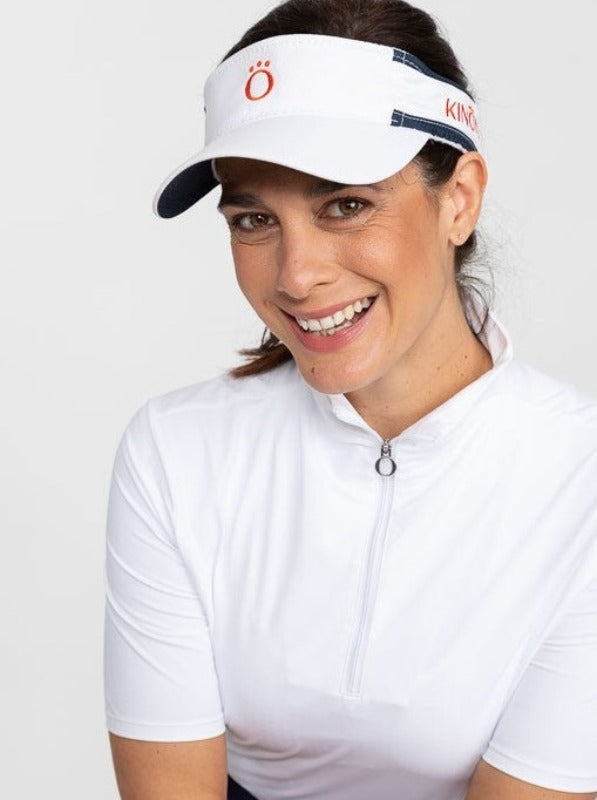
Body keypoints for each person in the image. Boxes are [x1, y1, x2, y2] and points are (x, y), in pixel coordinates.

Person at [103, 0, 597, 798]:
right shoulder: (177, 448)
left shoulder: (580, 481)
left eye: (345, 205)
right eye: (255, 218)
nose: (296, 275)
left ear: (459, 198)